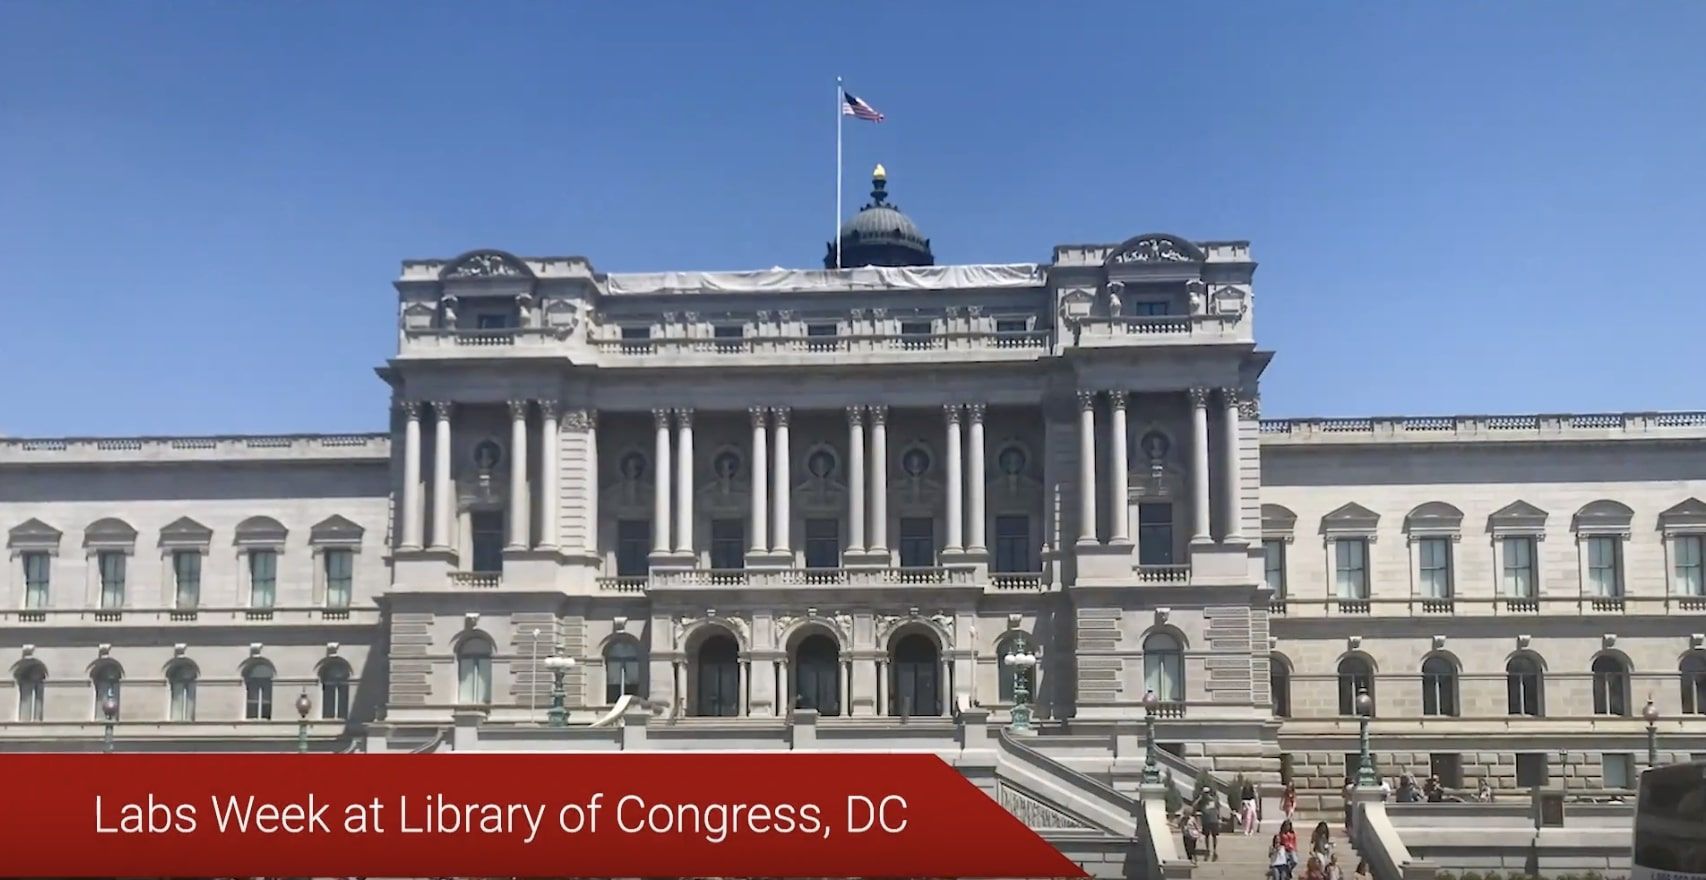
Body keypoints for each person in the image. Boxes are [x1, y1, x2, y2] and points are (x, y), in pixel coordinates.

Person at [1196, 789, 1221, 860]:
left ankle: (1215, 850)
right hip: (1206, 821)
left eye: (1207, 793)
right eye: (1205, 793)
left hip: (1214, 820)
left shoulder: (1214, 799)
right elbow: (1194, 805)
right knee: (1206, 836)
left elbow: (1218, 808)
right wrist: (1199, 798)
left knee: (1214, 836)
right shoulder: (1202, 801)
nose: (1206, 794)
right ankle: (1207, 849)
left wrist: (1219, 817)